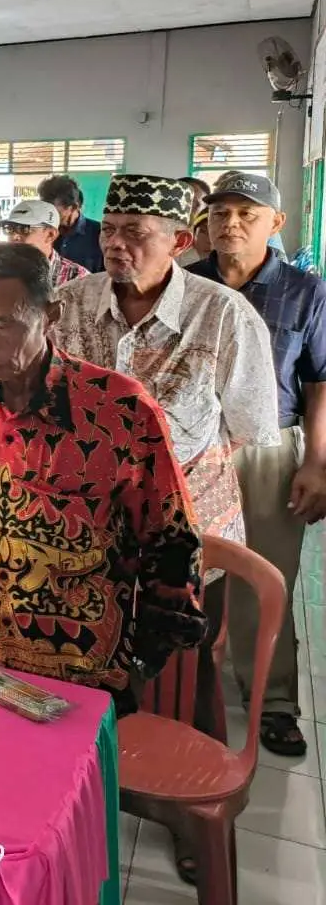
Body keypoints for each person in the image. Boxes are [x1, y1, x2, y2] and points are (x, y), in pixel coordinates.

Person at [0, 243, 206, 714]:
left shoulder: (120, 409)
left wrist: (140, 659)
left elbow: (172, 543)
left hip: (76, 670)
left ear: (50, 315)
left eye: (4, 324)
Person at [52, 174, 278, 755]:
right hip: (87, 525)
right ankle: (88, 780)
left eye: (136, 233)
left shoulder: (224, 316)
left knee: (185, 670)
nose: (116, 245)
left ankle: (192, 804)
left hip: (190, 532)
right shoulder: (71, 304)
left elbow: (250, 428)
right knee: (84, 656)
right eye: (110, 231)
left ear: (179, 241)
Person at [189, 171, 326, 757]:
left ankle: (271, 701)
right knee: (197, 576)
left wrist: (317, 462)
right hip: (198, 449)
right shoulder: (185, 284)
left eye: (247, 214)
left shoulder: (304, 291)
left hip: (271, 451)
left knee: (266, 578)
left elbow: (320, 383)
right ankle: (194, 695)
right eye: (221, 213)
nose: (232, 224)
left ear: (275, 222)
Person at [1, 199, 88, 287]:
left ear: (50, 235)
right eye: (10, 228)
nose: (14, 237)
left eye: (24, 229)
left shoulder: (78, 279)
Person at [39, 174, 103, 273]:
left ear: (73, 207)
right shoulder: (41, 232)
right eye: (44, 208)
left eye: (53, 210)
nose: (46, 214)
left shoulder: (99, 234)